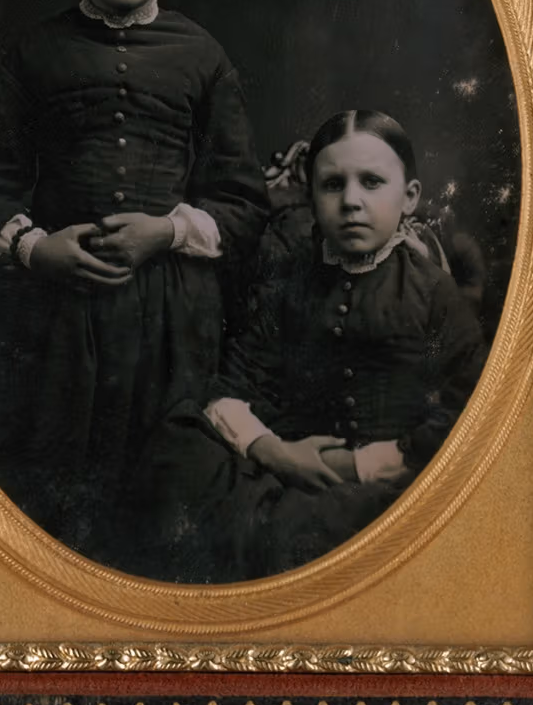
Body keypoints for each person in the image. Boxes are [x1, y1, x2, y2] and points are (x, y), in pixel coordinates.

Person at [0, 0, 269, 562]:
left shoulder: (202, 57)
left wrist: (166, 232)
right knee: (60, 502)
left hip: (174, 320)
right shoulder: (34, 53)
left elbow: (244, 203)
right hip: (59, 319)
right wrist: (38, 248)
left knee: (164, 502)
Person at [124, 109, 488, 582]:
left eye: (372, 183)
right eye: (333, 185)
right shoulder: (290, 280)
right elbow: (234, 382)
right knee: (174, 451)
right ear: (312, 197)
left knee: (370, 520)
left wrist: (362, 464)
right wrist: (274, 451)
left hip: (386, 475)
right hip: (287, 460)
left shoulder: (433, 291)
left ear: (410, 197)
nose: (351, 201)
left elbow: (468, 402)